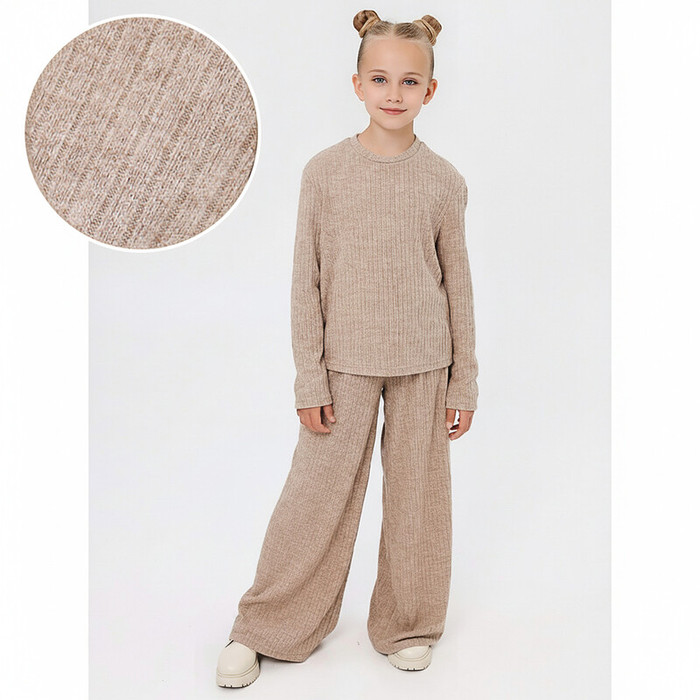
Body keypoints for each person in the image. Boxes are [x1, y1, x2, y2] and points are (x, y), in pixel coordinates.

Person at [216, 8, 479, 688]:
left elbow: (459, 288)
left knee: (419, 501)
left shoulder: (444, 181)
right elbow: (304, 282)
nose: (395, 93)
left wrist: (465, 382)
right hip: (343, 367)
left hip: (426, 362)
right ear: (357, 84)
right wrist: (310, 378)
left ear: (430, 91)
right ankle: (266, 625)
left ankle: (409, 625)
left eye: (410, 81)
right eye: (380, 79)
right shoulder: (324, 173)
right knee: (314, 498)